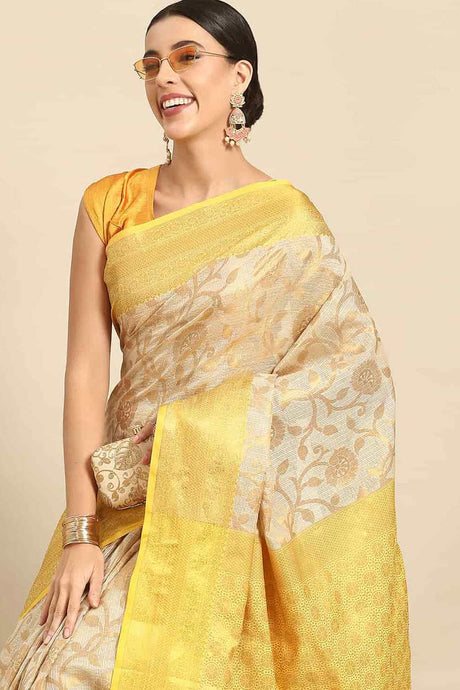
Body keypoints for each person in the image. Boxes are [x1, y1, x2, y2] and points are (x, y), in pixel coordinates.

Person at [0, 1, 412, 688]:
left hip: (240, 508)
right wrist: (80, 532)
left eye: (187, 57)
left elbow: (350, 378)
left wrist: (201, 430)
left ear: (239, 77)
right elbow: (86, 372)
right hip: (130, 498)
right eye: (151, 63)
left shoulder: (286, 219)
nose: (165, 76)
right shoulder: (109, 205)